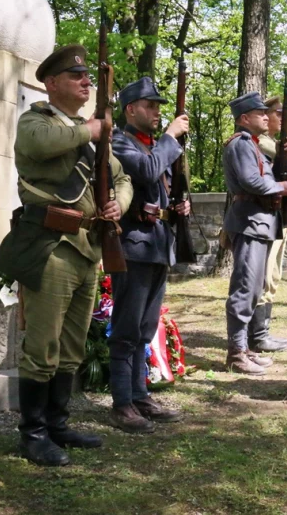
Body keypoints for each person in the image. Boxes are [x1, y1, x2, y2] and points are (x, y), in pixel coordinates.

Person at [0, 44, 133, 466]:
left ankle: (57, 425)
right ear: (52, 84)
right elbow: (41, 145)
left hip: (88, 248)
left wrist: (119, 205)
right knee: (42, 345)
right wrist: (92, 130)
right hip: (51, 246)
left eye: (89, 77)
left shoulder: (92, 135)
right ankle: (32, 434)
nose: (87, 82)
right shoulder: (36, 121)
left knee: (72, 346)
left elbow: (122, 178)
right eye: (77, 77)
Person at [107, 77, 190, 433]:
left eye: (158, 106)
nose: (157, 111)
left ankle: (139, 396)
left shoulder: (152, 144)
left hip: (156, 245)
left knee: (144, 328)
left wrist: (179, 204)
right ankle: (122, 403)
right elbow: (146, 170)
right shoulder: (119, 143)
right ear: (131, 109)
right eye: (150, 105)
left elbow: (161, 182)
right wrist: (171, 138)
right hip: (134, 247)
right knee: (126, 328)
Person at [221, 92, 287, 375]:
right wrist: (282, 187)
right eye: (260, 113)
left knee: (254, 288)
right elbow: (252, 181)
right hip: (250, 222)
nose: (267, 116)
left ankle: (245, 349)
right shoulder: (241, 144)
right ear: (244, 118)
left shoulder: (252, 145)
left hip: (259, 222)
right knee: (244, 287)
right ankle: (236, 353)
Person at [250, 96, 287, 353]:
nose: (281, 118)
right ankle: (257, 336)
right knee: (263, 276)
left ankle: (262, 333)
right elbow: (278, 162)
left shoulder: (274, 143)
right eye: (277, 113)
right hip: (262, 216)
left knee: (273, 275)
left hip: (276, 215)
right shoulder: (260, 142)